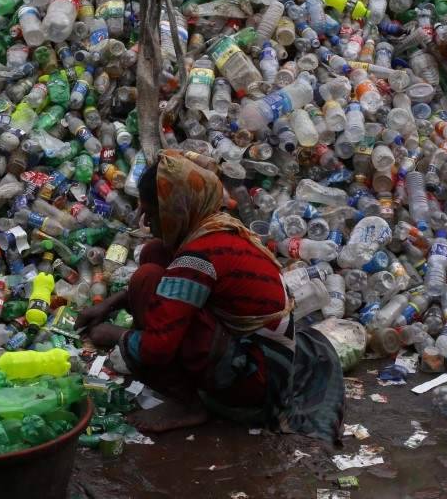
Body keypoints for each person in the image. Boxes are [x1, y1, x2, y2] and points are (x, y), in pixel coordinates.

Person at [77, 149, 344, 440]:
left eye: (152, 213)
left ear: (176, 209)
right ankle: (190, 385)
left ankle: (188, 405)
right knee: (155, 252)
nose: (147, 222)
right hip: (269, 356)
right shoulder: (215, 225)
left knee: (147, 280)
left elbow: (157, 347)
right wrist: (109, 305)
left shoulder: (198, 256)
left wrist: (114, 334)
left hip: (256, 381)